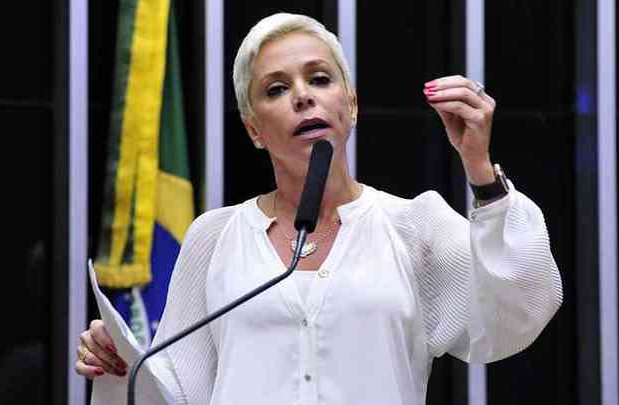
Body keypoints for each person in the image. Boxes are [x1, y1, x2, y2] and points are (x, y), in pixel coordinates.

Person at [76, 12, 563, 404]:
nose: (303, 95)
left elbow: (517, 312)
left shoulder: (415, 226)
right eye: (276, 89)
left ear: (350, 105)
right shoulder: (214, 237)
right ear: (253, 129)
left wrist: (480, 170)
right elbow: (179, 389)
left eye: (319, 79)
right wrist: (121, 362)